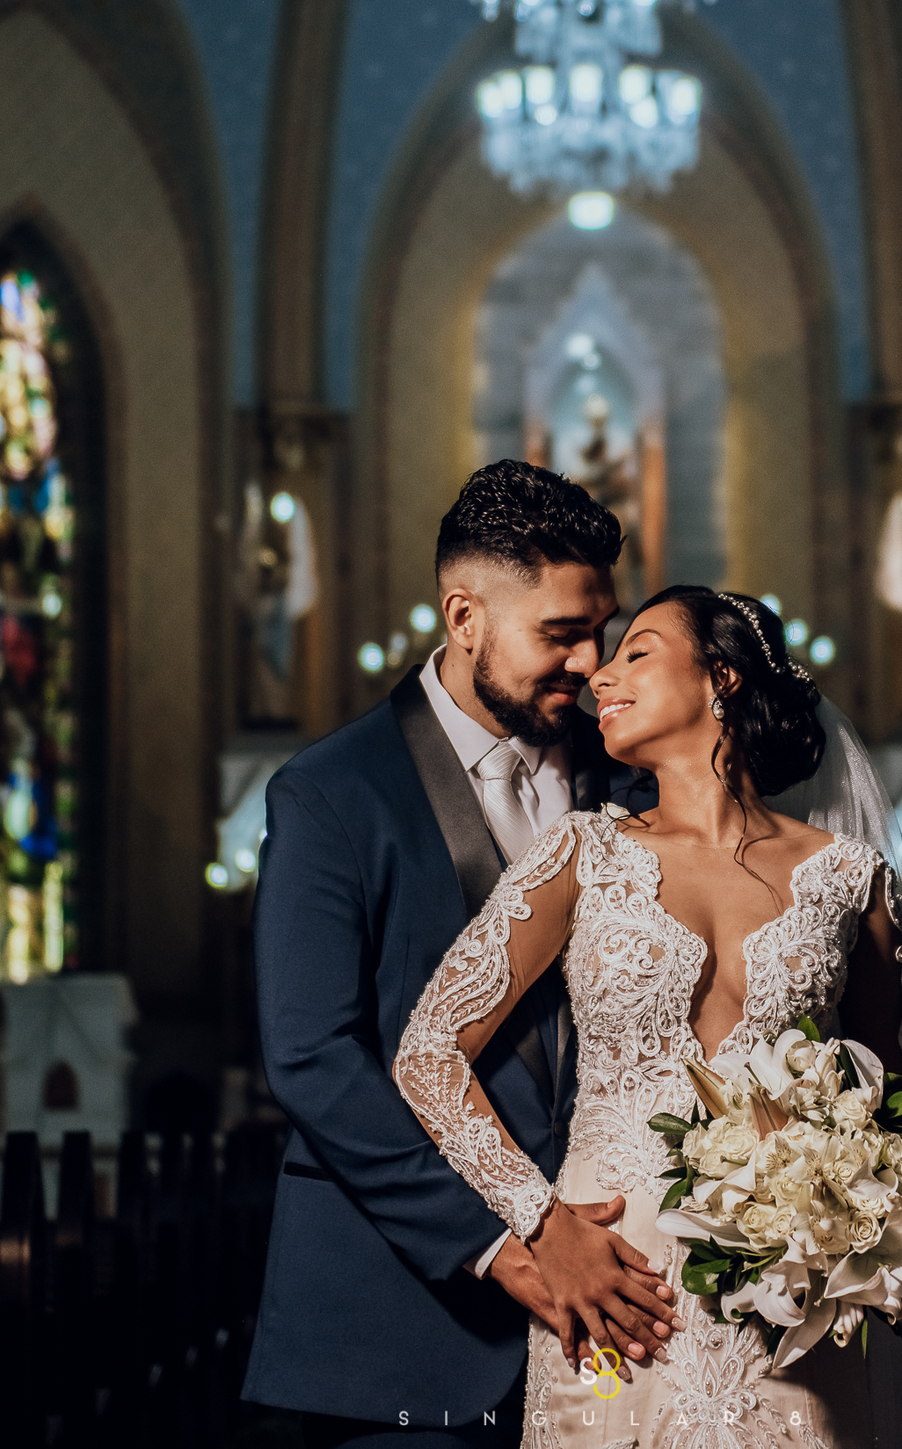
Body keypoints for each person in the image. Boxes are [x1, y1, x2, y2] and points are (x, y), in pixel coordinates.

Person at [394, 587, 902, 1448]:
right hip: (612, 1285)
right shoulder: (580, 856)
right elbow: (427, 1053)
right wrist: (542, 1222)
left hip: (797, 1301)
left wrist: (866, 1214)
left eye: (637, 651)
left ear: (723, 679)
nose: (600, 677)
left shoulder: (850, 879)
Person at [243, 463, 680, 1448]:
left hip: (622, 1321)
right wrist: (508, 1245)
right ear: (465, 616)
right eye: (560, 634)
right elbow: (311, 1056)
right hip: (403, 1319)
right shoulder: (328, 794)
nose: (591, 662)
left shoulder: (637, 784)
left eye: (601, 630)